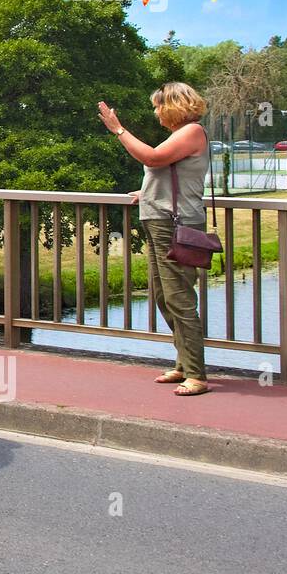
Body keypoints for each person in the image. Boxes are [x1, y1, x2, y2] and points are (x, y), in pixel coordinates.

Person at [97, 83, 212, 396]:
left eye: (158, 106)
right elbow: (168, 173)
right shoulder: (180, 135)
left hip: (178, 225)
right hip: (161, 222)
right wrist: (145, 193)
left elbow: (152, 158)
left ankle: (197, 376)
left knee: (180, 298)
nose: (156, 112)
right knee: (163, 295)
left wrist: (118, 129)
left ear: (173, 106)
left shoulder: (192, 132)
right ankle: (184, 364)